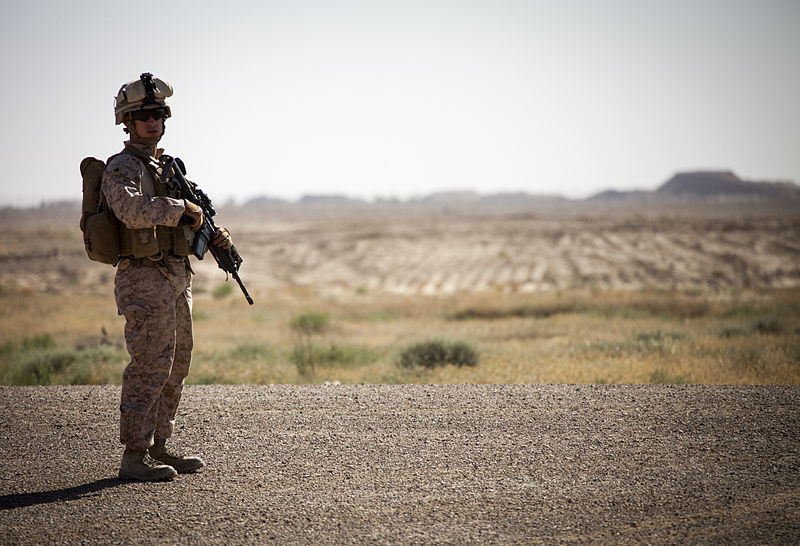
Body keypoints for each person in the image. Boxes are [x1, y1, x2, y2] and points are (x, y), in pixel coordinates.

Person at [104, 73, 233, 481]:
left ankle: (159, 445)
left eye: (159, 114)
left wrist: (214, 235)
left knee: (177, 365)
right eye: (143, 115)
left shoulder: (168, 166)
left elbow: (197, 213)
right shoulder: (122, 168)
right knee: (149, 365)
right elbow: (131, 211)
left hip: (177, 275)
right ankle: (134, 455)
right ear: (127, 121)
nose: (152, 121)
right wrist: (181, 208)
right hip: (143, 277)